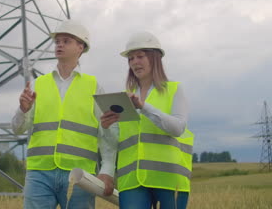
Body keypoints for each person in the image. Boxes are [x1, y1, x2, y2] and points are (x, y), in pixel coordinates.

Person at [12, 19, 116, 209]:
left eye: (66, 41)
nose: (59, 44)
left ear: (81, 47)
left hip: (80, 175)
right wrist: (23, 110)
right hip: (39, 172)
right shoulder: (37, 84)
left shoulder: (94, 86)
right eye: (57, 41)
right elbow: (17, 129)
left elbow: (107, 133)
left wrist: (107, 170)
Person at [100, 31, 194, 209]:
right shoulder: (124, 99)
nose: (134, 62)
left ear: (155, 58)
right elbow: (117, 142)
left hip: (169, 179)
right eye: (130, 58)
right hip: (132, 182)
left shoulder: (174, 89)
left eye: (140, 56)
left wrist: (144, 107)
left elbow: (178, 128)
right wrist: (106, 127)